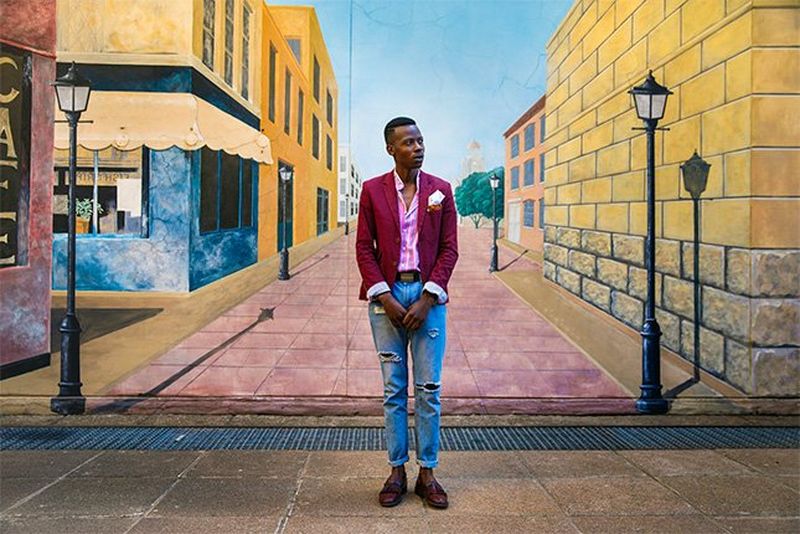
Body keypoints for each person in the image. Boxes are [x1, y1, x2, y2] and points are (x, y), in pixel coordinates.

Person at [355, 116, 459, 509]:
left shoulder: (441, 192)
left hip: (428, 296)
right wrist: (385, 297)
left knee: (429, 389)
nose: (418, 147)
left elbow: (450, 249)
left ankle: (427, 473)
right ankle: (396, 471)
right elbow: (364, 248)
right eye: (409, 142)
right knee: (394, 390)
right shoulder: (371, 191)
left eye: (420, 140)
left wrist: (427, 298)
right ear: (391, 148)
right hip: (387, 297)